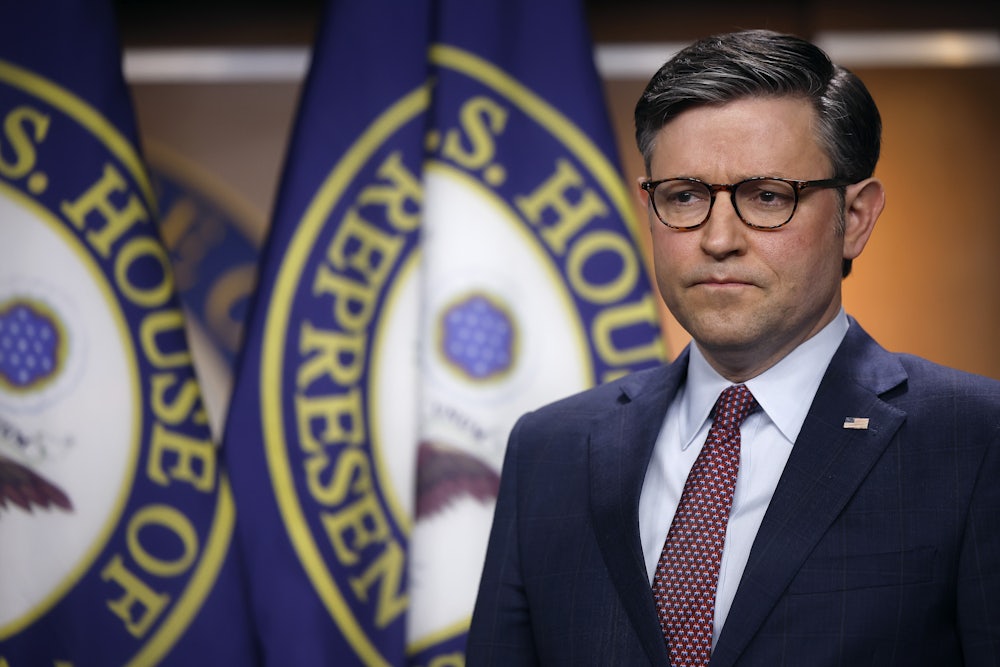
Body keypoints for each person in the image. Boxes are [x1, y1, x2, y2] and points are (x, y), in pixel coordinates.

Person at [466, 29, 1000, 666]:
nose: (719, 239)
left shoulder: (975, 440)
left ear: (854, 218)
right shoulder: (550, 450)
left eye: (768, 196)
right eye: (685, 196)